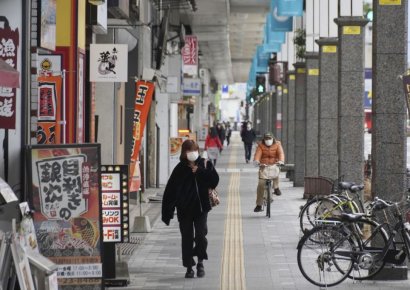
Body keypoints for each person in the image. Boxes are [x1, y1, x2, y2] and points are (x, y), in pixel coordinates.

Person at [161, 139, 219, 278]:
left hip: (201, 209)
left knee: (200, 236)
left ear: (198, 151)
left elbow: (214, 180)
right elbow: (170, 191)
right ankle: (188, 267)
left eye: (194, 150)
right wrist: (167, 212)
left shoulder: (205, 164)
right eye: (189, 151)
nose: (192, 153)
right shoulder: (180, 169)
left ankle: (200, 262)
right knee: (186, 238)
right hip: (184, 210)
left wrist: (200, 172)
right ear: (184, 153)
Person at [253, 132, 285, 212]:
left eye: (269, 138)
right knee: (261, 184)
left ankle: (276, 187)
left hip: (274, 164)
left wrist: (281, 161)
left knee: (276, 171)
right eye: (266, 139)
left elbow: (281, 153)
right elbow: (257, 155)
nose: (268, 140)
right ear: (264, 139)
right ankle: (259, 205)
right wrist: (257, 161)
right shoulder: (260, 145)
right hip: (264, 166)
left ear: (273, 138)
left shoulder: (277, 144)